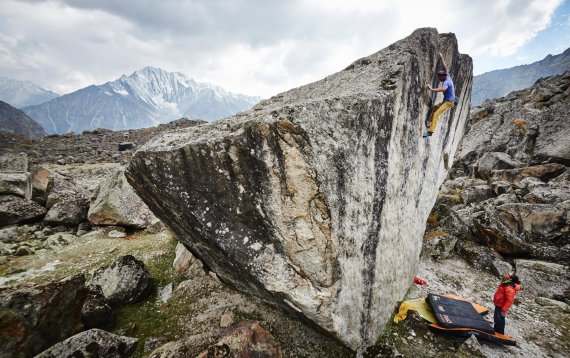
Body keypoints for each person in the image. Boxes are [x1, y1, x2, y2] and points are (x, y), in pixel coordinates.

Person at [424, 52, 456, 138]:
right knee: (434, 108)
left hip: (449, 102)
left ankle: (430, 132)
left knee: (436, 114)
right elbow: (445, 66)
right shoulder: (447, 75)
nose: (439, 78)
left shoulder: (447, 82)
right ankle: (430, 123)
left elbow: (443, 89)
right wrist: (441, 57)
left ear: (443, 76)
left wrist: (431, 89)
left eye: (439, 77)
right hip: (446, 100)